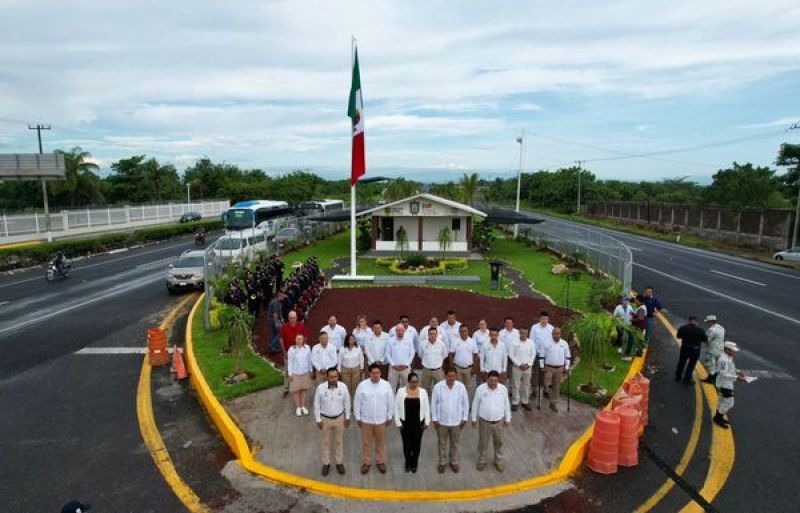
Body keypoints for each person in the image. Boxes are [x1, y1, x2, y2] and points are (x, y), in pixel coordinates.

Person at [354, 363, 395, 474]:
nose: (375, 375)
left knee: (380, 443)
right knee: (366, 443)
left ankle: (380, 461)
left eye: (377, 373)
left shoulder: (386, 385)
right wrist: (357, 417)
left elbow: (391, 401)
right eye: (373, 373)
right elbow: (357, 402)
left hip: (381, 420)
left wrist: (390, 416)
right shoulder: (362, 385)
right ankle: (366, 462)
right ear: (369, 374)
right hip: (366, 420)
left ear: (380, 373)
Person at [431, 368, 470, 473]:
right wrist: (434, 419)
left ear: (456, 376)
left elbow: (465, 403)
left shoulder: (461, 387)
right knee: (442, 443)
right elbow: (433, 404)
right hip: (441, 421)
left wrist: (465, 418)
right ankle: (442, 462)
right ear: (445, 376)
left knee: (455, 443)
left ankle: (454, 461)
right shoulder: (438, 387)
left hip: (456, 421)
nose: (451, 378)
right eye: (449, 376)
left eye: (453, 376)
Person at [313, 367, 351, 476]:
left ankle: (339, 462)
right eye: (331, 377)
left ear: (338, 376)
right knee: (326, 442)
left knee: (339, 441)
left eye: (335, 376)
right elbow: (316, 404)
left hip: (340, 418)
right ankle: (326, 463)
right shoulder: (320, 388)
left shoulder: (343, 387)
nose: (333, 379)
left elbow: (347, 403)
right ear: (327, 377)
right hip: (325, 419)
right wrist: (318, 419)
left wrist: (347, 417)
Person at [471, 370, 511, 472]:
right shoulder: (480, 389)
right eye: (491, 380)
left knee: (499, 442)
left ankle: (498, 461)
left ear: (498, 380)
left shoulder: (503, 389)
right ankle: (482, 460)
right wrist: (473, 418)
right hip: (484, 422)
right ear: (487, 379)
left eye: (495, 381)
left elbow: (506, 404)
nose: (493, 383)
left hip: (499, 422)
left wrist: (508, 418)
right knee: (483, 442)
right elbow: (475, 403)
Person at [394, 372, 430, 473]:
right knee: (407, 445)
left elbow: (427, 407)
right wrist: (398, 423)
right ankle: (407, 463)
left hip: (418, 423)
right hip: (405, 423)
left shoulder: (423, 392)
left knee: (417, 444)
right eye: (412, 382)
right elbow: (396, 407)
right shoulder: (401, 391)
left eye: (416, 382)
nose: (414, 384)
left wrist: (427, 421)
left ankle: (414, 463)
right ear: (408, 382)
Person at [714, 341, 747, 429]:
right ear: (727, 349)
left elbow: (732, 366)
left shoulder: (729, 356)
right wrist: (737, 377)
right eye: (733, 350)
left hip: (728, 383)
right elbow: (723, 374)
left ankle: (718, 416)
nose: (734, 352)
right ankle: (718, 417)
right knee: (729, 403)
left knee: (722, 401)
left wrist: (738, 371)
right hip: (724, 384)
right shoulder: (723, 360)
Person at [540, 327, 571, 412]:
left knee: (556, 386)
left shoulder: (564, 343)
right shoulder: (546, 343)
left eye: (558, 333)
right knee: (547, 384)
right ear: (552, 334)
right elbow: (542, 355)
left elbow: (567, 356)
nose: (556, 335)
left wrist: (567, 367)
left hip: (559, 368)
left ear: (560, 334)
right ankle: (546, 392)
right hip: (548, 367)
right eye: (555, 333)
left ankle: (553, 403)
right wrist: (541, 365)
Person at [280, 310, 309, 395]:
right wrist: (284, 352)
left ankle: (299, 385)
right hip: (288, 351)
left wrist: (303, 348)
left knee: (299, 369)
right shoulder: (284, 327)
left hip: (299, 351)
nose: (292, 319)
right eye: (291, 317)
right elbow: (281, 339)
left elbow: (305, 337)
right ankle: (286, 388)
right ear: (288, 318)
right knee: (287, 370)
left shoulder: (301, 326)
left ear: (296, 317)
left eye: (294, 317)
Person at [675, 316, 707, 385]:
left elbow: (678, 336)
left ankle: (678, 377)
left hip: (684, 348)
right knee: (691, 365)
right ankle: (687, 379)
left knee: (681, 362)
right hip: (695, 350)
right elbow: (705, 340)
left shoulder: (683, 328)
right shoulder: (700, 330)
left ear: (689, 321)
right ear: (696, 322)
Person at [509, 327, 536, 411]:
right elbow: (511, 354)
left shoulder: (531, 342)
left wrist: (529, 364)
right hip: (517, 367)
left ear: (527, 334)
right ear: (519, 333)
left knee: (526, 385)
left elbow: (533, 354)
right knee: (515, 385)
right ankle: (515, 402)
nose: (523, 335)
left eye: (525, 333)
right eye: (522, 333)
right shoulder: (514, 342)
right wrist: (519, 364)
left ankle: (525, 401)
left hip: (528, 367)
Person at [287, 334, 313, 416]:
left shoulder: (307, 348)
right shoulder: (291, 349)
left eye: (301, 339)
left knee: (304, 390)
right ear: (295, 340)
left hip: (305, 372)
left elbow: (309, 360)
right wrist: (290, 374)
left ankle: (302, 406)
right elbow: (290, 362)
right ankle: (298, 407)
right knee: (296, 390)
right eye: (298, 339)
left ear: (303, 340)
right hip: (295, 373)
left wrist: (311, 370)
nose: (299, 341)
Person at [419, 326, 449, 393]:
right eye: (430, 334)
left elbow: (444, 355)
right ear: (428, 335)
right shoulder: (423, 344)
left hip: (438, 371)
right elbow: (421, 355)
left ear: (437, 335)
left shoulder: (442, 344)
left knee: (440, 390)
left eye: (434, 334)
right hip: (426, 370)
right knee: (424, 390)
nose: (432, 335)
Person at [450, 324, 479, 393]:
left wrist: (474, 368)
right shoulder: (455, 341)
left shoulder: (472, 342)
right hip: (457, 369)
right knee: (457, 388)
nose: (464, 333)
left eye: (465, 331)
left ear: (468, 331)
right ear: (459, 332)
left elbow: (475, 355)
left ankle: (467, 403)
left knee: (468, 389)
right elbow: (450, 354)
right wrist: (452, 367)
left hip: (469, 369)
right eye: (462, 331)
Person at [387, 323, 415, 391]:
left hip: (405, 368)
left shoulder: (409, 340)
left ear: (404, 330)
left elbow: (412, 353)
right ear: (395, 331)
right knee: (392, 387)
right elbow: (387, 354)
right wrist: (393, 365)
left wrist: (407, 364)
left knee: (406, 387)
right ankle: (392, 401)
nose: (400, 332)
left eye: (401, 330)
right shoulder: (390, 340)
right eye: (398, 330)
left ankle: (404, 401)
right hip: (393, 368)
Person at [702, 315, 726, 384]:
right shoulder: (721, 327)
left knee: (711, 364)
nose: (707, 323)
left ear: (711, 321)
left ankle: (710, 379)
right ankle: (715, 377)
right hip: (720, 348)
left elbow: (707, 339)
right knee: (717, 364)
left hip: (712, 350)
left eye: (708, 322)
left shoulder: (712, 329)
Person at [613, 295, 636, 360]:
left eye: (627, 301)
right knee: (620, 335)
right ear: (622, 301)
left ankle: (619, 344)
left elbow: (632, 315)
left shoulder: (630, 307)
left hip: (628, 324)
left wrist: (632, 320)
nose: (625, 302)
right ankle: (619, 346)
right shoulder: (618, 308)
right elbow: (614, 316)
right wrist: (617, 321)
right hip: (620, 324)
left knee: (630, 335)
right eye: (624, 300)